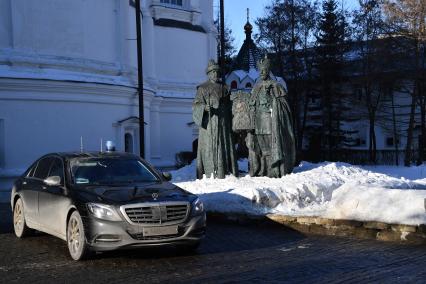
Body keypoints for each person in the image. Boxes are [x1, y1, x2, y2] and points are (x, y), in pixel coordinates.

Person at [248, 56, 296, 177]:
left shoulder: (275, 85)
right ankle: (263, 169)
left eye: (264, 70)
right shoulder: (256, 87)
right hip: (258, 121)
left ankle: (273, 169)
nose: (262, 73)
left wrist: (273, 99)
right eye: (260, 71)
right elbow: (251, 103)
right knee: (261, 145)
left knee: (271, 145)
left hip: (270, 120)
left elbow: (283, 104)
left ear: (268, 71)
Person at [192, 60, 238, 179]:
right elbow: (196, 105)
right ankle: (209, 171)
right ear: (209, 73)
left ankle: (225, 169)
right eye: (213, 72)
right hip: (209, 123)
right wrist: (204, 107)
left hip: (223, 122)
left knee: (223, 145)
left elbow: (230, 105)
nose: (215, 74)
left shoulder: (225, 87)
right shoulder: (202, 88)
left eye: (217, 71)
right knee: (209, 146)